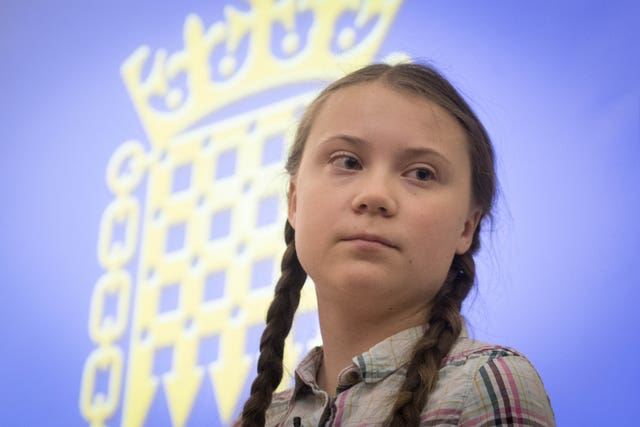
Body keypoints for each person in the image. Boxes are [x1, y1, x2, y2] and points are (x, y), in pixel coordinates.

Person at [235, 63, 555, 426]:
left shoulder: (482, 384)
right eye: (348, 162)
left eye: (421, 173)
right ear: (294, 200)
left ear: (467, 226)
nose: (374, 195)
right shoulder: (261, 417)